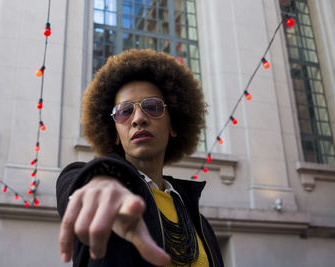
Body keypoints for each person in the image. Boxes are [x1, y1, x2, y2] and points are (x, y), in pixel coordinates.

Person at [56, 49, 224, 267]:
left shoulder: (199, 222)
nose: (138, 119)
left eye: (153, 107)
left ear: (173, 125)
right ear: (115, 132)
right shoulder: (107, 195)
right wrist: (99, 181)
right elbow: (72, 180)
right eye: (124, 111)